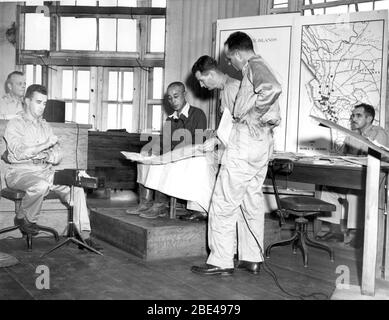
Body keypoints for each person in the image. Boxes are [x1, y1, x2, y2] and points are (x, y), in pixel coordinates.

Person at [191, 31, 282, 276]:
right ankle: (252, 257)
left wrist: (252, 114)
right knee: (250, 201)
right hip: (260, 142)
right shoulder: (256, 67)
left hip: (245, 141)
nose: (231, 64)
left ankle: (220, 259)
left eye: (231, 59)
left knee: (222, 202)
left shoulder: (253, 65)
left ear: (239, 53)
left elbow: (272, 88)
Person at [3, 84, 101, 251]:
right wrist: (44, 146)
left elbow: (57, 153)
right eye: (38, 102)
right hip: (20, 172)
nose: (42, 107)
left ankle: (84, 234)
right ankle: (24, 218)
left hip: (44, 171)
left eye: (44, 103)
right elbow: (19, 153)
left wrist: (52, 156)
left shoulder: (45, 126)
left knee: (75, 187)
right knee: (40, 185)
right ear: (27, 101)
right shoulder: (15, 124)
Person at [127, 81, 207, 219]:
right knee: (145, 160)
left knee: (161, 164)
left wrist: (173, 152)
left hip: (190, 158)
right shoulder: (170, 120)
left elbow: (198, 142)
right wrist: (152, 151)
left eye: (176, 96)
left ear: (184, 94)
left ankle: (160, 205)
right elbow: (164, 143)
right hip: (172, 155)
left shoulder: (197, 114)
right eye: (169, 98)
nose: (173, 101)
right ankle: (145, 202)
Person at [318, 103, 389, 247]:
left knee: (354, 195)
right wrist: (335, 155)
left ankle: (357, 234)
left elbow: (381, 157)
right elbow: (344, 155)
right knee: (326, 190)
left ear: (369, 119)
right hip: (353, 176)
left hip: (374, 180)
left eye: (358, 115)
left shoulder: (378, 133)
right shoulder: (352, 135)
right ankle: (335, 231)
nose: (353, 119)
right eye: (353, 115)